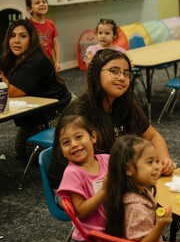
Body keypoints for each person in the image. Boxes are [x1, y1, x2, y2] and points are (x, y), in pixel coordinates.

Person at [49, 48, 173, 188]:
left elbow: (153, 136)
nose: (122, 78)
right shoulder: (79, 114)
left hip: (112, 178)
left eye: (126, 74)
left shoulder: (125, 103)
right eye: (114, 71)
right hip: (76, 186)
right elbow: (79, 167)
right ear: (97, 73)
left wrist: (164, 160)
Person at [0, 18, 71, 158]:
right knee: (21, 149)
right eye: (12, 36)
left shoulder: (36, 60)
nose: (16, 41)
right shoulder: (10, 58)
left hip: (58, 110)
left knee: (35, 151)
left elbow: (10, 92)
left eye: (23, 36)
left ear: (31, 40)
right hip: (36, 111)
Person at [55, 114, 108, 242]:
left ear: (93, 137)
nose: (73, 144)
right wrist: (104, 190)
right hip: (90, 241)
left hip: (112, 232)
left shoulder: (107, 160)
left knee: (152, 240)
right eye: (66, 142)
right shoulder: (72, 174)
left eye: (78, 137)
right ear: (62, 150)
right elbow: (81, 212)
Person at [26, 0, 60, 71]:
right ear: (29, 9)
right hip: (33, 64)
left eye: (44, 2)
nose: (42, 4)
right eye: (37, 3)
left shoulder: (51, 23)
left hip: (49, 62)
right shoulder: (27, 25)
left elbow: (55, 45)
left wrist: (57, 61)